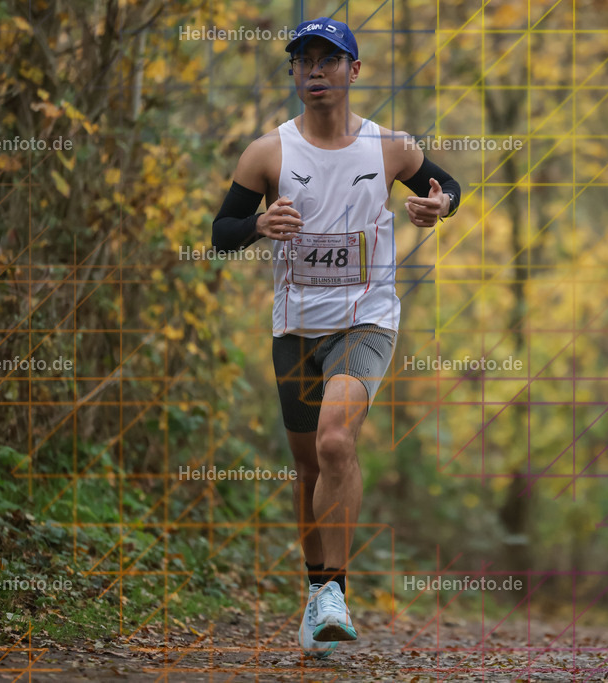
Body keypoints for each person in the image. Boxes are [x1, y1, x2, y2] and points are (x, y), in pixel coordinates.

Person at [210, 17, 461, 658]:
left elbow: (448, 188)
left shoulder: (390, 148)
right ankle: (315, 591)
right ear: (294, 73)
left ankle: (334, 593)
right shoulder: (267, 153)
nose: (315, 70)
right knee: (306, 466)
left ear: (354, 69)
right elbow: (220, 233)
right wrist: (259, 225)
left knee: (335, 441)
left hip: (365, 321)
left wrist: (439, 207)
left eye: (329, 59)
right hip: (295, 328)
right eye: (304, 60)